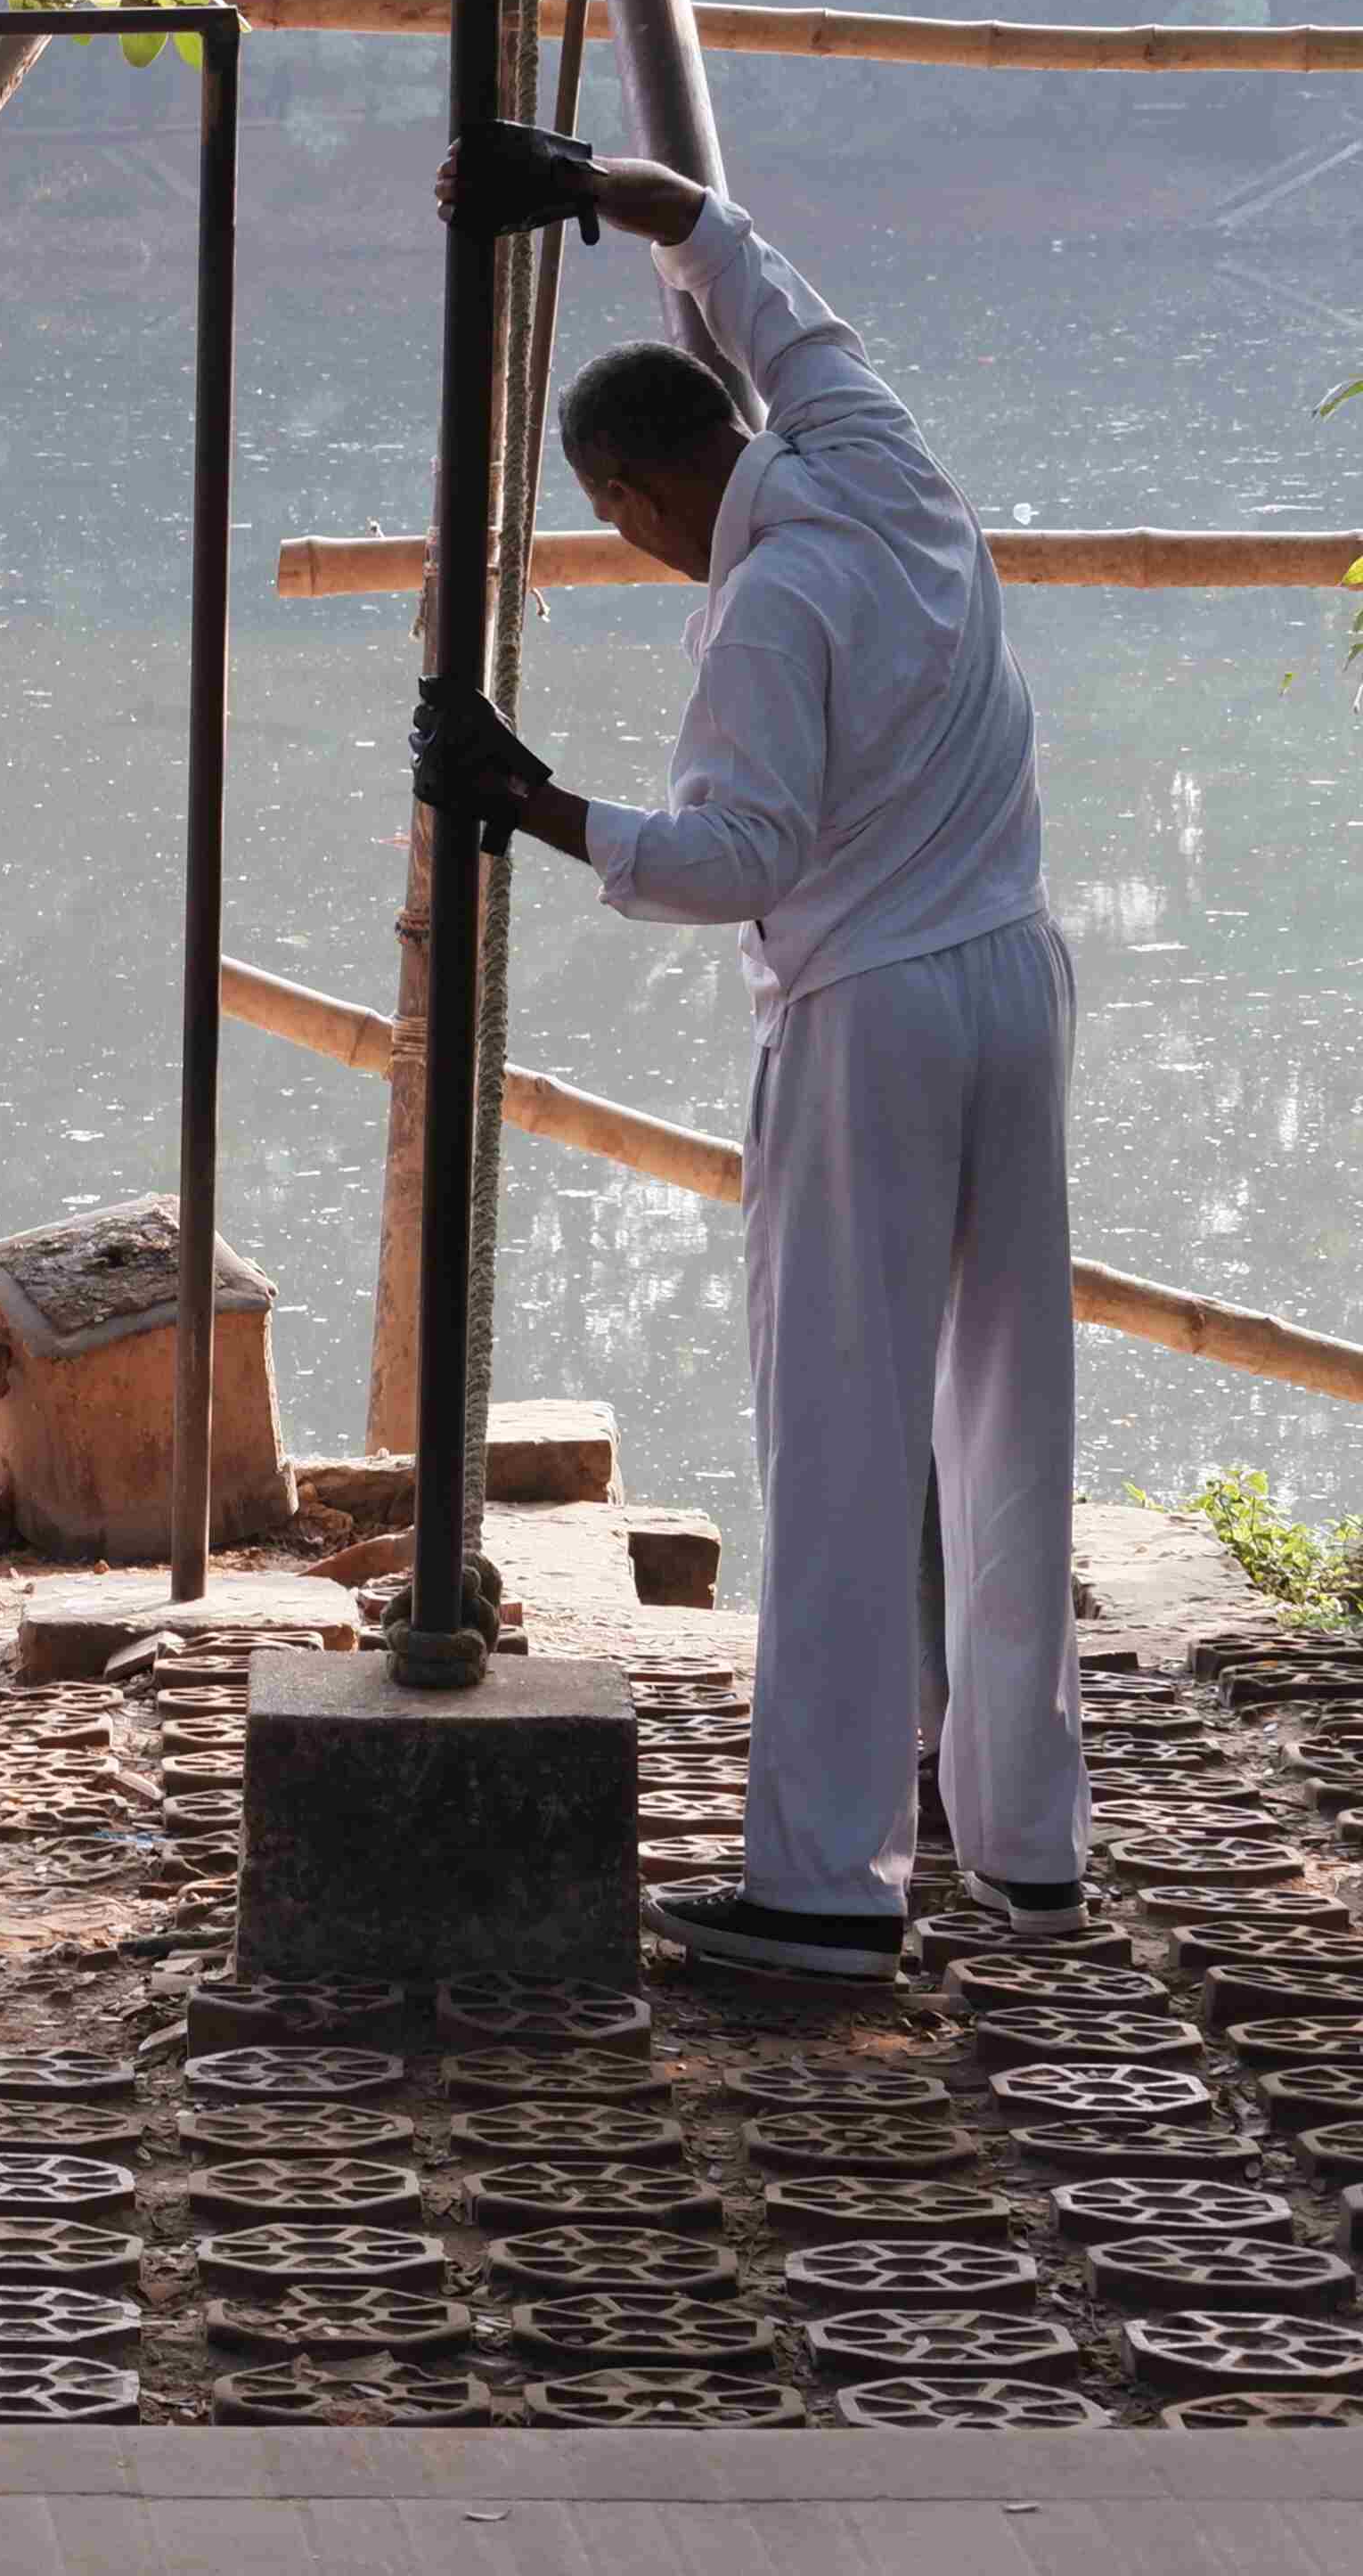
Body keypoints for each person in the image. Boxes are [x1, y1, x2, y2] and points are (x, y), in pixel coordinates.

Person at [420, 127, 1078, 1983]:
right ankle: (1026, 1838)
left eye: (623, 522)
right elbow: (741, 255)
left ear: (630, 492)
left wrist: (525, 798)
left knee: (846, 1435)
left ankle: (824, 1879)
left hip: (870, 1013)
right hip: (1016, 978)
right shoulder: (881, 457)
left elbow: (735, 860)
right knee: (1010, 1407)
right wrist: (595, 186)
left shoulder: (764, 610)